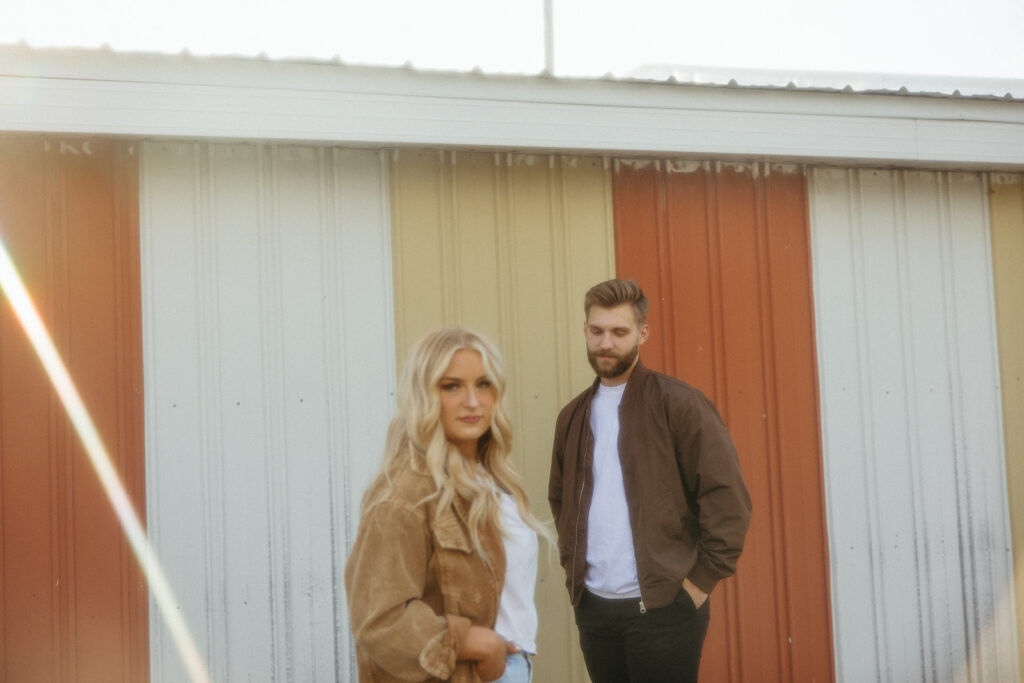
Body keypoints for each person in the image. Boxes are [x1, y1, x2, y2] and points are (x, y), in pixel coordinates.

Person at [548, 278, 752, 683]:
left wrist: (698, 584)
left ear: (642, 334)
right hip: (594, 610)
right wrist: (577, 578)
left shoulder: (678, 404)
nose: (606, 343)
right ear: (585, 331)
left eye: (619, 332)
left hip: (664, 610)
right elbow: (561, 500)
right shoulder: (572, 417)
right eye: (597, 331)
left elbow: (727, 499)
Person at [345, 327, 550, 682]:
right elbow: (378, 619)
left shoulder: (493, 477)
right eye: (451, 386)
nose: (472, 401)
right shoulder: (404, 495)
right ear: (423, 395)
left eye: (483, 384)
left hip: (511, 668)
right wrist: (476, 643)